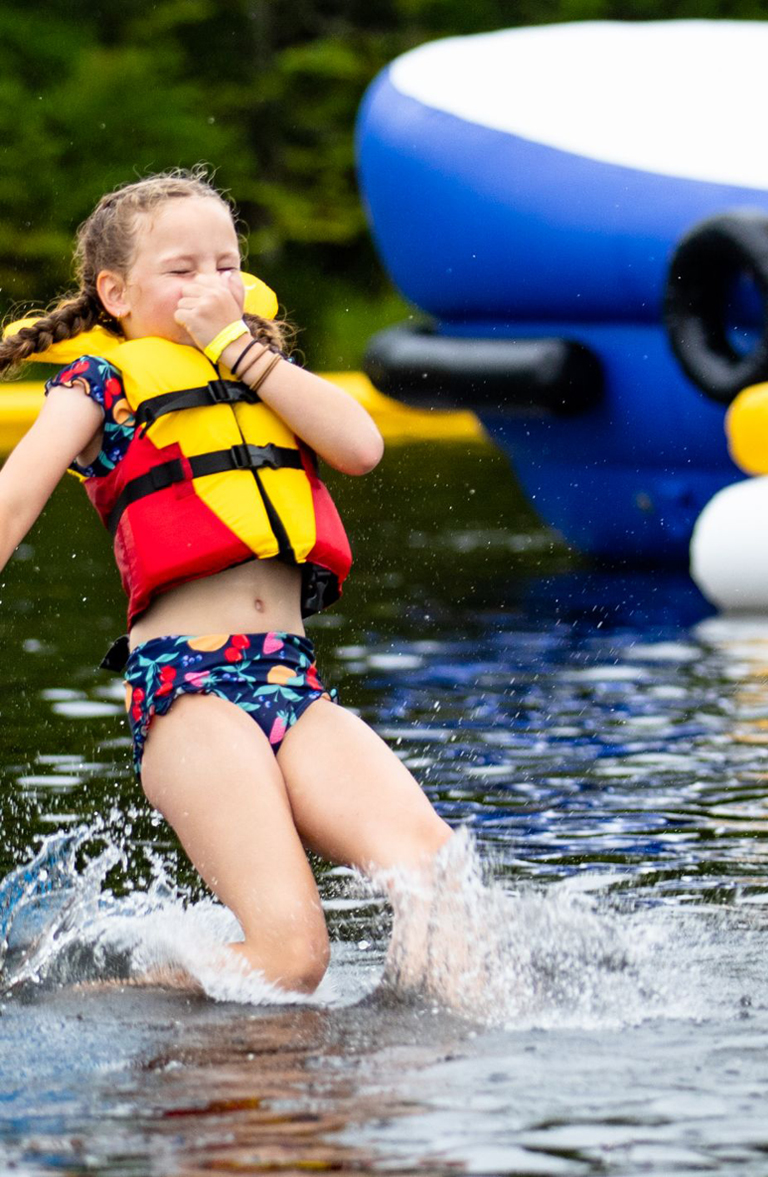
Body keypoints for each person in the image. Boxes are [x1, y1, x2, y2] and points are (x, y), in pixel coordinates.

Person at [0, 170, 452, 994]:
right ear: (116, 292)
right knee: (293, 959)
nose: (209, 284)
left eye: (225, 265)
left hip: (293, 683)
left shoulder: (262, 371)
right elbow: (13, 500)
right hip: (190, 691)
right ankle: (58, 998)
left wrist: (236, 348)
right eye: (182, 269)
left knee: (440, 888)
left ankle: (402, 1060)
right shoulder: (100, 386)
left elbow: (362, 448)